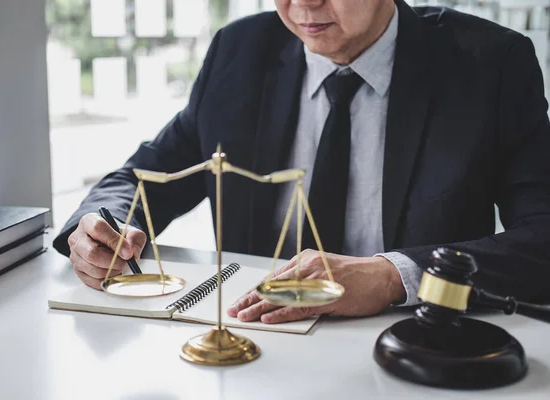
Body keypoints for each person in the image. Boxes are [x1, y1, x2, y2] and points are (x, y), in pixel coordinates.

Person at [53, 0, 550, 324]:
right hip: (257, 347)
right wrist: (101, 228)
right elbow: (145, 176)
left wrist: (391, 276)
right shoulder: (239, 51)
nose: (304, 5)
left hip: (413, 344)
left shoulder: (491, 65)